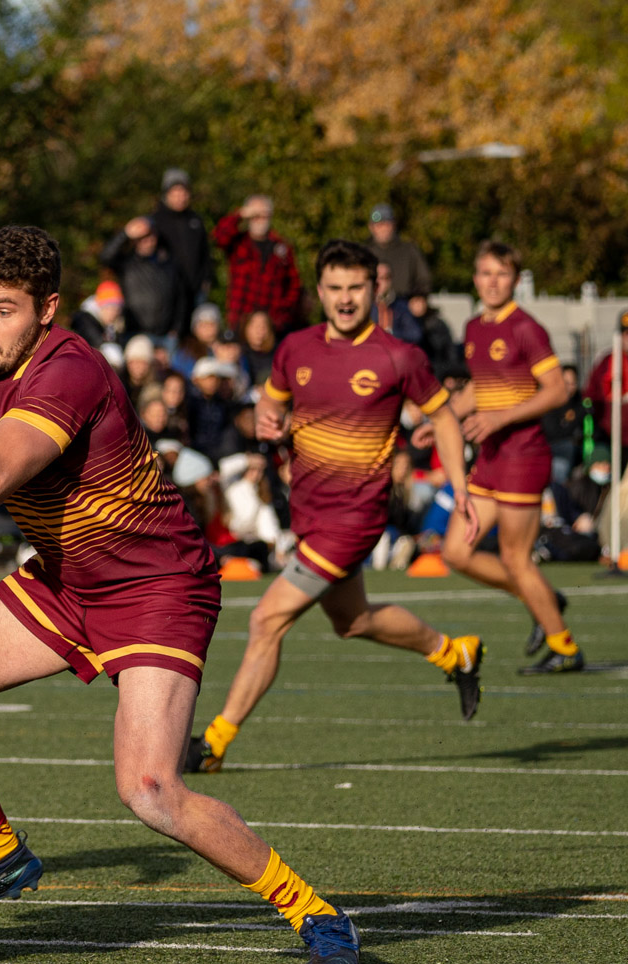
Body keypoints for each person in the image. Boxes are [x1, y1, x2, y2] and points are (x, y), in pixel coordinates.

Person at [0, 224, 365, 964]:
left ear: (47, 309)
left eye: (4, 310)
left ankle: (314, 911)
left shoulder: (68, 371)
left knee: (151, 790)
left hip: (156, 587)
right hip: (66, 578)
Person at [184, 239, 482, 778]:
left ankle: (215, 742)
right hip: (309, 512)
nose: (346, 299)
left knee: (267, 618)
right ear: (319, 291)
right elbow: (271, 400)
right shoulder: (295, 347)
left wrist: (460, 488)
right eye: (336, 288)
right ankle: (454, 652)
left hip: (355, 518)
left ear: (375, 289)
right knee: (352, 620)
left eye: (356, 288)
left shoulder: (399, 356)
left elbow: (442, 416)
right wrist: (270, 419)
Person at [439, 241, 583, 672]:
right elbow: (479, 388)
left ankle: (565, 649)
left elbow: (556, 391)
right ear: (475, 279)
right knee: (456, 551)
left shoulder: (526, 328)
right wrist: (442, 419)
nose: (493, 282)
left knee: (515, 559)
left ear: (516, 280)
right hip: (491, 457)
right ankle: (542, 598)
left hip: (523, 456)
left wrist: (500, 417)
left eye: (501, 274)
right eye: (486, 273)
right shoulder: (473, 327)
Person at [214, 195, 303, 333]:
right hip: (241, 319)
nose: (260, 220)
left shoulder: (281, 247)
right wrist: (240, 214)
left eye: (264, 215)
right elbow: (219, 235)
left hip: (272, 324)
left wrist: (283, 311)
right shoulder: (239, 243)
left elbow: (293, 283)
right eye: (255, 215)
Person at [100, 215, 188, 340]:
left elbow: (181, 299)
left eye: (150, 236)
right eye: (141, 238)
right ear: (134, 240)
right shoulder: (127, 263)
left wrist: (177, 329)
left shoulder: (169, 264)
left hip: (166, 336)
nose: (147, 241)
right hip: (134, 333)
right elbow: (105, 257)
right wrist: (125, 233)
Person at [150, 168, 214, 306]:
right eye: (175, 192)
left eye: (184, 192)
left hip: (196, 290)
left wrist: (206, 279)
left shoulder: (196, 220)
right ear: (166, 194)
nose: (180, 197)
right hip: (168, 291)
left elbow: (205, 252)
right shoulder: (156, 221)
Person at [367, 205, 433, 301]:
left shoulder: (409, 250)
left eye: (387, 224)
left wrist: (419, 297)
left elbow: (424, 280)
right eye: (379, 225)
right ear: (371, 227)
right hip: (372, 303)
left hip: (404, 302)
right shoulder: (365, 252)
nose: (383, 229)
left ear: (394, 225)